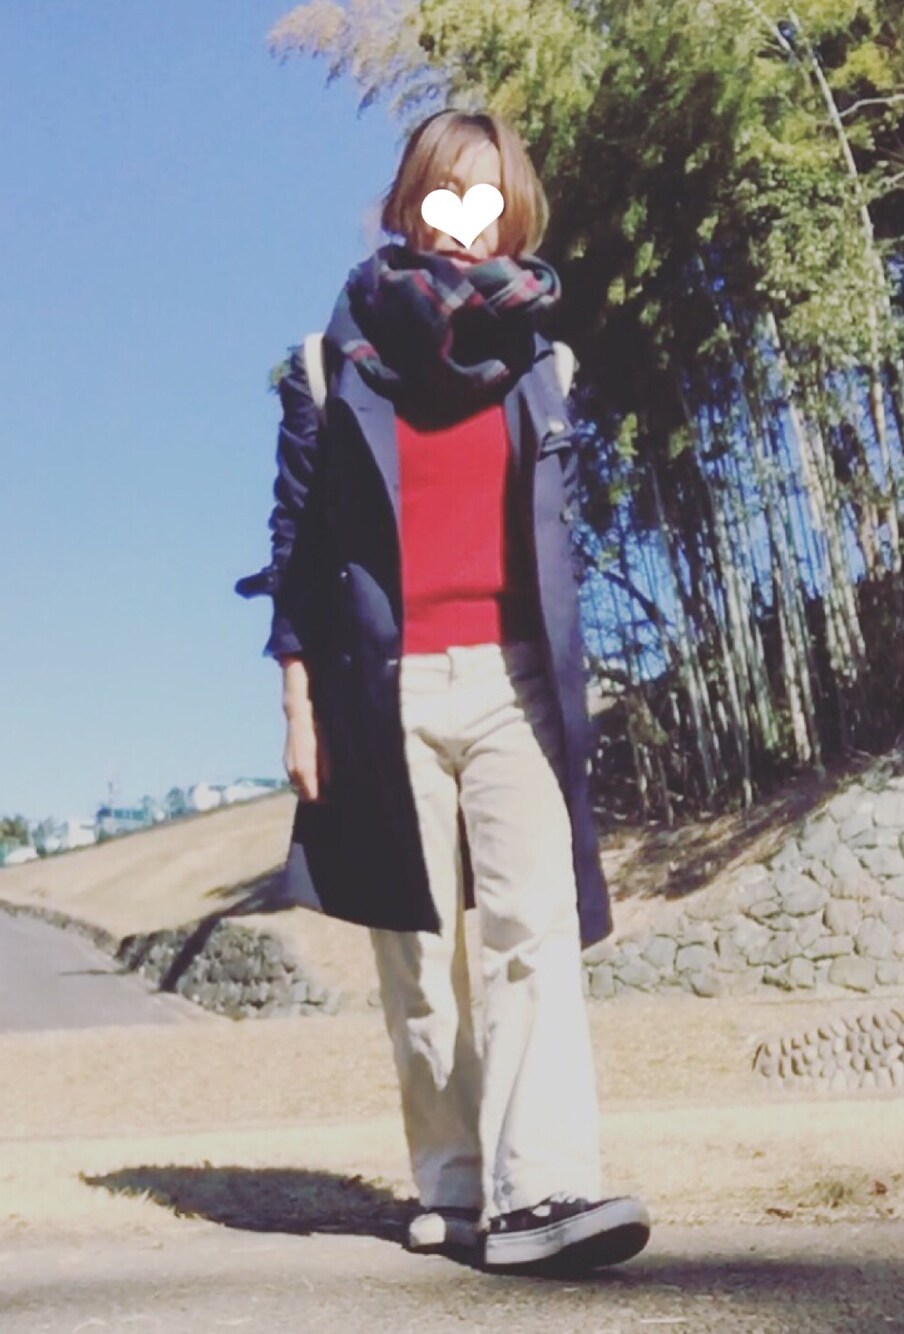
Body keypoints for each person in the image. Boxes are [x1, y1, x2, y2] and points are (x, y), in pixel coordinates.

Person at [237, 107, 650, 1272]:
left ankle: (541, 1184)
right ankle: (454, 1182)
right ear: (408, 204)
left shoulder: (545, 363)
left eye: (489, 196)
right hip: (386, 686)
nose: (466, 219)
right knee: (418, 948)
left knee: (531, 930)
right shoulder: (332, 362)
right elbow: (297, 546)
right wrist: (297, 701)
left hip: (518, 681)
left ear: (515, 215)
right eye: (444, 192)